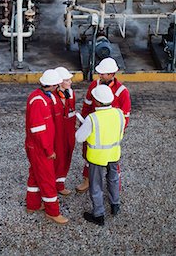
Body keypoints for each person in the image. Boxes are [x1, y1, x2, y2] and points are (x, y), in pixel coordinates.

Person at [76, 57, 131, 193]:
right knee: (88, 155)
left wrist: (118, 132)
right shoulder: (94, 86)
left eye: (103, 74)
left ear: (112, 74)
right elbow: (87, 106)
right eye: (100, 73)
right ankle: (87, 180)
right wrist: (83, 124)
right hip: (94, 128)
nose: (100, 75)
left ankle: (114, 188)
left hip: (110, 133)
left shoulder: (122, 92)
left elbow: (125, 117)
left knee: (112, 161)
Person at [75, 85, 125, 226]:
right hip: (114, 154)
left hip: (97, 157)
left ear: (96, 101)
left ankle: (98, 214)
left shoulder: (92, 118)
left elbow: (79, 138)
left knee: (96, 185)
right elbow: (120, 133)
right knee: (113, 179)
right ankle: (115, 205)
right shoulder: (119, 113)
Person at [25, 69, 69, 225]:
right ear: (51, 85)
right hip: (40, 149)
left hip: (35, 147)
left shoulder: (41, 96)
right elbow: (38, 131)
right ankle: (53, 211)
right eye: (57, 85)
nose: (59, 86)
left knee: (35, 174)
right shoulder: (39, 102)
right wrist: (49, 151)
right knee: (47, 178)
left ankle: (33, 204)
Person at [53, 67, 76, 196]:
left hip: (69, 130)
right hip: (58, 131)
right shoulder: (53, 96)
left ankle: (61, 183)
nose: (70, 82)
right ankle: (54, 183)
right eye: (67, 80)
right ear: (60, 82)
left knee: (67, 155)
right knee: (58, 157)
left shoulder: (71, 93)